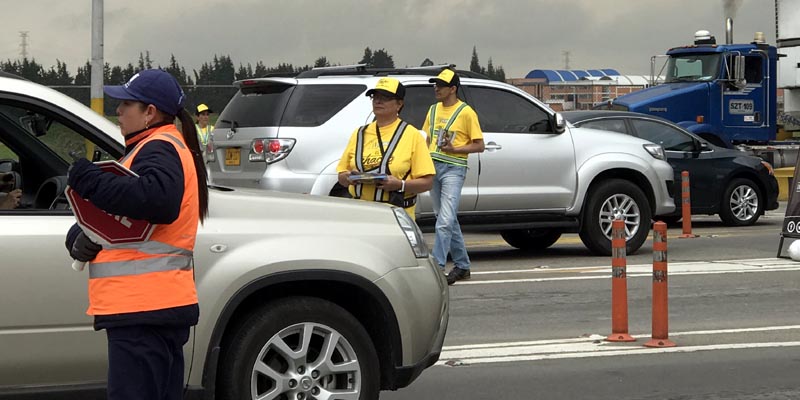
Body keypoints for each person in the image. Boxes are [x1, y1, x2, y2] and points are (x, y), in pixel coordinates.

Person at [63, 69, 209, 400]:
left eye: (126, 103)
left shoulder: (159, 147)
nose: (118, 111)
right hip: (153, 309)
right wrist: (83, 234)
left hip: (144, 310)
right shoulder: (153, 148)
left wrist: (90, 180)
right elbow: (130, 217)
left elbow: (157, 199)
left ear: (150, 112)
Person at [337, 77, 435, 220]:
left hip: (395, 214)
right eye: (375, 97)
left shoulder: (412, 135)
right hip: (360, 213)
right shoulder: (359, 134)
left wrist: (400, 185)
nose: (378, 101)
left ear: (399, 104)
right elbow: (341, 176)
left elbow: (427, 182)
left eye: (385, 97)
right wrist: (348, 178)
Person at [422, 69, 485, 285]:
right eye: (435, 84)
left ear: (453, 89)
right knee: (445, 217)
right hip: (433, 166)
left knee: (444, 220)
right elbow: (426, 139)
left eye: (440, 85)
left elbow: (480, 145)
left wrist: (455, 149)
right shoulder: (432, 110)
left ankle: (438, 267)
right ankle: (463, 266)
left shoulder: (466, 113)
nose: (436, 88)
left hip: (453, 168)